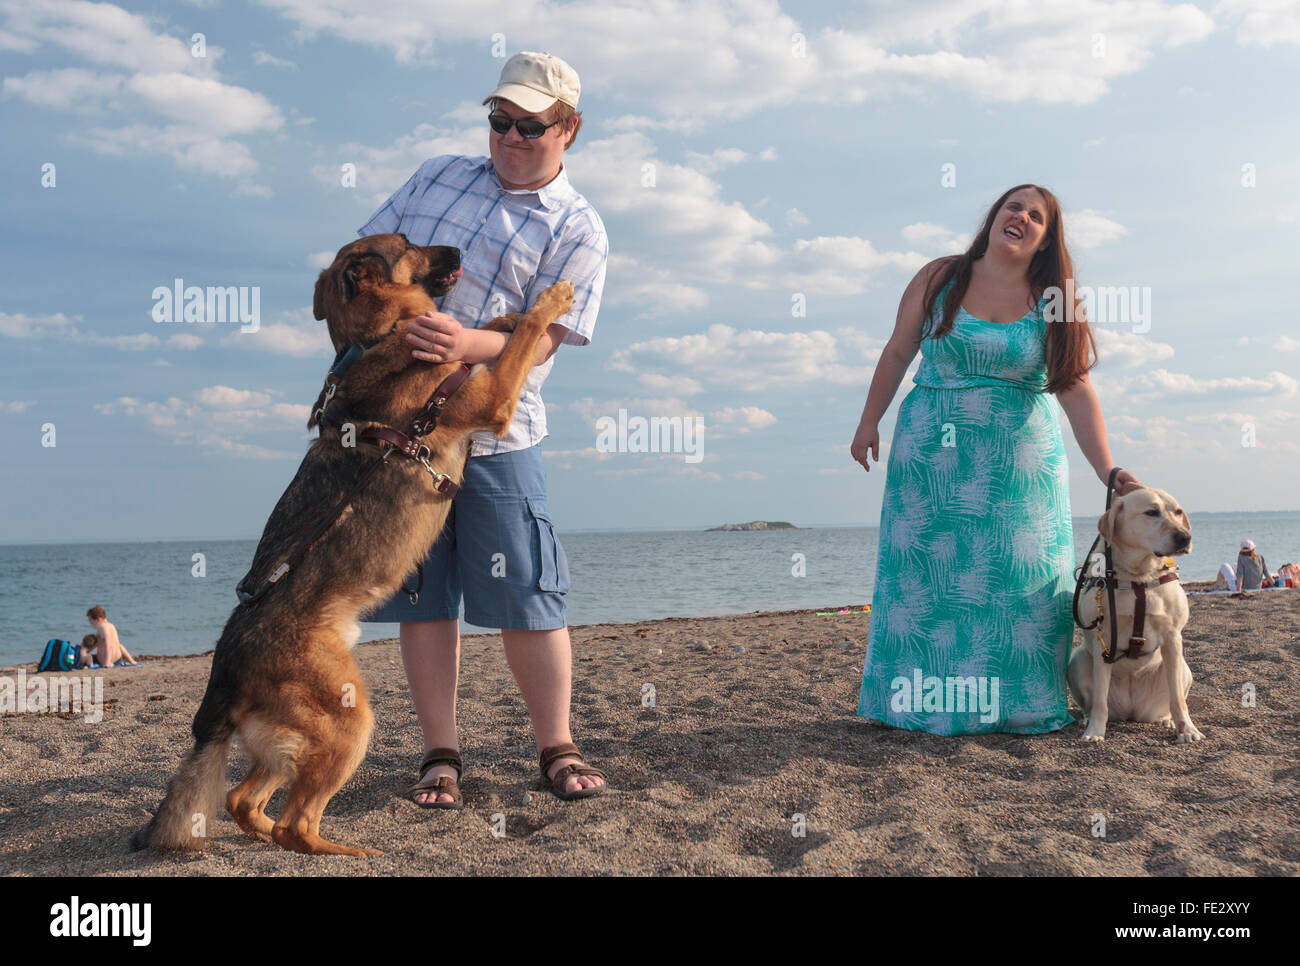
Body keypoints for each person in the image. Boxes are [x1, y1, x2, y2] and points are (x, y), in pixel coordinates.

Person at [356, 51, 609, 806]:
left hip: (498, 434)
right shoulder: (437, 173)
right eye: (500, 120)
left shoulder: (580, 228)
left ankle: (556, 748)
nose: (511, 136)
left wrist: (467, 344)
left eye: (531, 126)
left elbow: (548, 339)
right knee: (423, 597)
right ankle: (440, 754)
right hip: (401, 431)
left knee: (530, 594)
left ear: (570, 129)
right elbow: (364, 258)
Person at [850, 184, 1141, 734]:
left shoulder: (1055, 296)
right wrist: (870, 421)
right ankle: (923, 704)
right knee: (927, 581)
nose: (1021, 218)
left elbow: (1073, 386)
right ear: (994, 216)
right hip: (931, 459)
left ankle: (1021, 707)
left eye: (1036, 216)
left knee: (1018, 578)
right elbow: (897, 351)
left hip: (1021, 466)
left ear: (1045, 238)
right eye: (1014, 207)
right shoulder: (941, 276)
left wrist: (1109, 470)